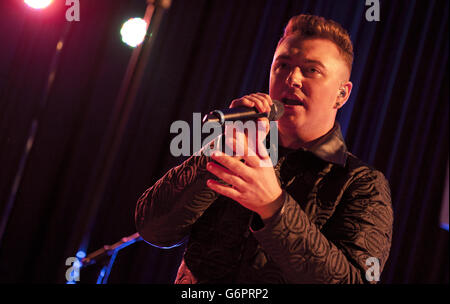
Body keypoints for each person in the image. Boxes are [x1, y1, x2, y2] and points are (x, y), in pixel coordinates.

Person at [135, 14, 393, 284]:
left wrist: (274, 206)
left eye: (311, 70)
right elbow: (153, 229)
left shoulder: (363, 184)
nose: (292, 78)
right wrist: (221, 149)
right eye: (282, 65)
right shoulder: (237, 148)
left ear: (342, 94)